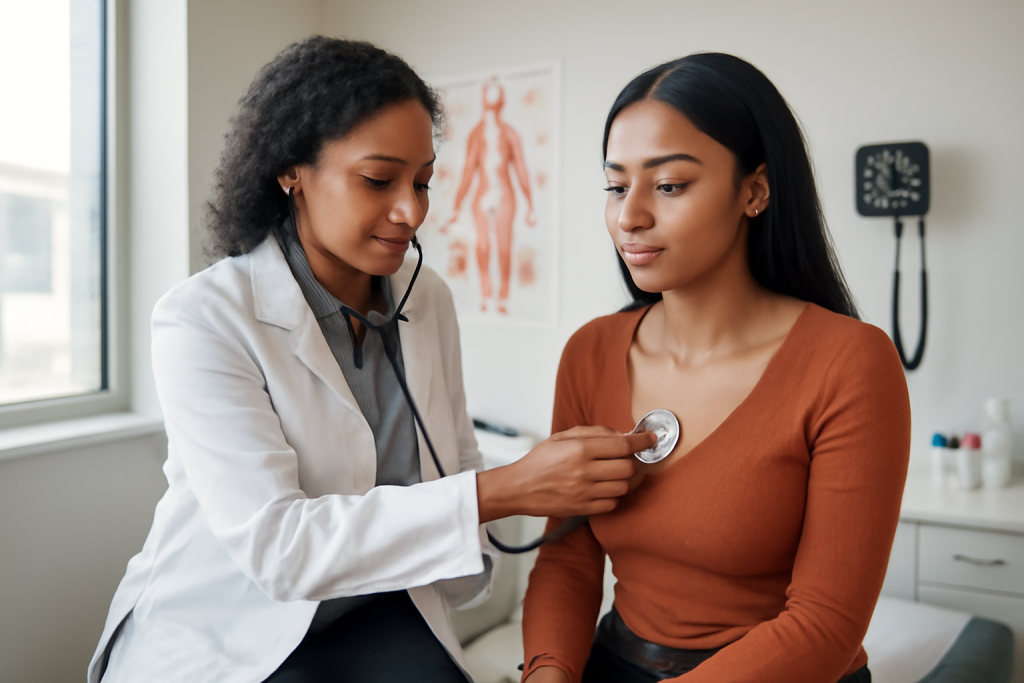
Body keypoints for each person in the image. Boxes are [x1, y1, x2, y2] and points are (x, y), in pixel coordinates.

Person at [87, 37, 654, 683]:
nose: (412, 211)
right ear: (290, 170)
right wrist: (511, 487)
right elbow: (281, 550)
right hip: (232, 624)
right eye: (378, 179)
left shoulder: (427, 296)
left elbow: (455, 452)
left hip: (380, 601)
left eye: (423, 182)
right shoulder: (203, 318)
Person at [521, 53, 911, 683]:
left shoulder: (851, 362)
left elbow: (825, 625)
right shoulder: (590, 351)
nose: (630, 216)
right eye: (616, 186)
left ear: (754, 191)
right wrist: (546, 673)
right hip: (615, 662)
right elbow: (570, 559)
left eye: (669, 185)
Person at [448, 78, 536, 314]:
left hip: (505, 194)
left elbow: (521, 170)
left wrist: (530, 204)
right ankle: (486, 293)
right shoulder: (476, 135)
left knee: (504, 246)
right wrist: (456, 205)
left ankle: (503, 296)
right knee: (483, 245)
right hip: (483, 194)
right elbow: (467, 172)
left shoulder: (509, 134)